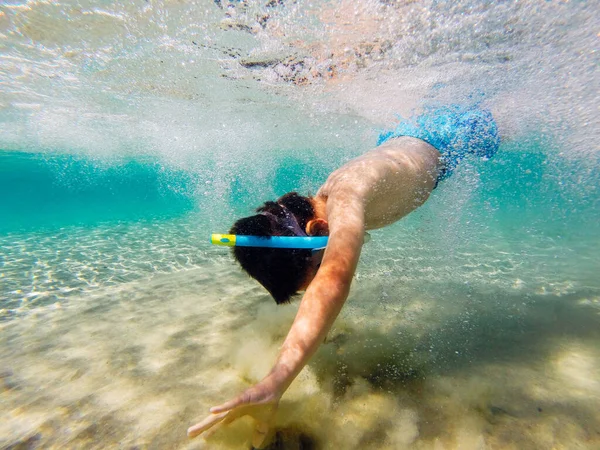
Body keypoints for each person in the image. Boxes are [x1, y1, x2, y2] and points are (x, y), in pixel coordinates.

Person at [187, 104, 500, 448]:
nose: (325, 268)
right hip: (417, 144)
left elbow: (334, 279)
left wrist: (275, 382)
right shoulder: (336, 200)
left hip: (454, 132)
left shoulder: (346, 195)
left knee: (505, 119)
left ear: (319, 228)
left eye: (316, 269)